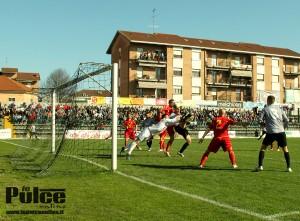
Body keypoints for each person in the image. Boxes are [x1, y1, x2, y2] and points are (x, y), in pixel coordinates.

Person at [255, 95, 292, 172]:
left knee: (263, 148)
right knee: (285, 149)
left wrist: (264, 126)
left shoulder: (265, 109)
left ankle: (260, 166)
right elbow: (287, 120)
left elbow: (259, 120)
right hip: (281, 132)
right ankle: (288, 168)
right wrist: (283, 128)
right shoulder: (280, 109)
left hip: (271, 132)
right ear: (274, 101)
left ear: (268, 101)